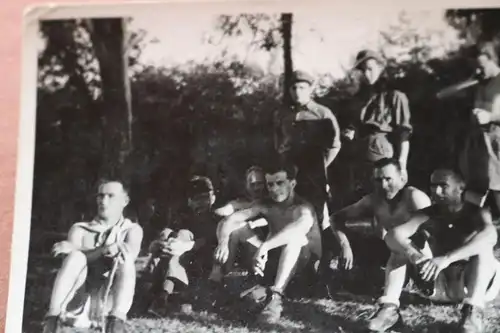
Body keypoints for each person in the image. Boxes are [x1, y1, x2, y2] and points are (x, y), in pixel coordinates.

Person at [385, 169, 500, 333]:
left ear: (460, 188)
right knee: (400, 248)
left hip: (472, 286)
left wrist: (447, 258)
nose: (436, 191)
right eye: (433, 186)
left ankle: (473, 313)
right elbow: (393, 235)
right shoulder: (427, 214)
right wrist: (414, 254)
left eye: (443, 186)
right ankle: (388, 308)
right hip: (438, 284)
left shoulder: (476, 212)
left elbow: (491, 236)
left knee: (483, 248)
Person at [214, 158, 322, 324]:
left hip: (304, 271)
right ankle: (222, 284)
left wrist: (265, 246)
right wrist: (223, 241)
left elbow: (299, 227)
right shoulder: (266, 204)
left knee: (295, 238)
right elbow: (230, 219)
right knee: (236, 227)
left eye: (279, 183)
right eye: (270, 184)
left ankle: (275, 299)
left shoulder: (303, 207)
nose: (274, 189)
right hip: (277, 263)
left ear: (292, 184)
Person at [329, 158, 431, 331]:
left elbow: (433, 236)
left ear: (402, 179)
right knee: (393, 247)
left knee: (401, 241)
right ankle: (389, 308)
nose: (383, 185)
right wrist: (345, 245)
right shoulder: (373, 200)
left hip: (430, 264)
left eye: (388, 179)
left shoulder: (415, 197)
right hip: (400, 258)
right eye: (378, 180)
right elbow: (336, 218)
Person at [43, 179, 143, 333]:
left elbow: (131, 257)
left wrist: (82, 249)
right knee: (75, 257)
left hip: (108, 302)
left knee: (125, 258)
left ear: (125, 201)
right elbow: (72, 262)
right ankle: (52, 320)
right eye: (100, 196)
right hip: (78, 298)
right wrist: (103, 250)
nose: (104, 201)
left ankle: (115, 323)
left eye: (111, 196)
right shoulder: (80, 229)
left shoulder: (132, 230)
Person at [145, 176, 220, 315]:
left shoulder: (216, 220)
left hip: (203, 268)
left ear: (213, 199)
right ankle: (161, 296)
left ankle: (161, 296)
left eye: (205, 198)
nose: (201, 203)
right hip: (179, 265)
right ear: (189, 202)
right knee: (168, 234)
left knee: (181, 237)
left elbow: (204, 243)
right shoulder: (184, 219)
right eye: (196, 199)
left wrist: (181, 246)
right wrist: (161, 245)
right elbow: (163, 241)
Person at [349, 50, 412, 195]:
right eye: (363, 70)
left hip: (383, 155)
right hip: (360, 155)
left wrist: (402, 165)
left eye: (370, 69)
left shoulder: (395, 96)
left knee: (385, 197)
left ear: (380, 68)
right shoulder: (360, 99)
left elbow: (403, 134)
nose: (366, 74)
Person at [459, 42, 500, 217]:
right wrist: (472, 79)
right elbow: (441, 95)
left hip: (497, 142)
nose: (479, 70)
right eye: (476, 67)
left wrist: (490, 117)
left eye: (482, 66)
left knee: (498, 186)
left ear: (493, 60)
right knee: (474, 188)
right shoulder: (478, 83)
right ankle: (474, 231)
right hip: (477, 142)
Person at [209, 166, 268, 282]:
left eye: (259, 184)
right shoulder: (241, 203)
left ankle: (219, 271)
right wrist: (223, 243)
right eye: (252, 184)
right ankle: (224, 271)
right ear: (246, 185)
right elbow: (221, 213)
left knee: (238, 226)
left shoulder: (269, 202)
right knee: (227, 224)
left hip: (265, 251)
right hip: (246, 250)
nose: (256, 188)